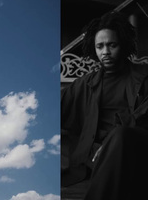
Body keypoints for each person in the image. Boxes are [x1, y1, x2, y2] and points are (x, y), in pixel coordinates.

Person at [61, 11, 148, 199]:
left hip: (136, 152)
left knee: (121, 134)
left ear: (123, 45)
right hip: (94, 159)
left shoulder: (144, 75)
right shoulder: (85, 83)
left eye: (112, 45)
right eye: (100, 46)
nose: (105, 52)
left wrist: (111, 142)